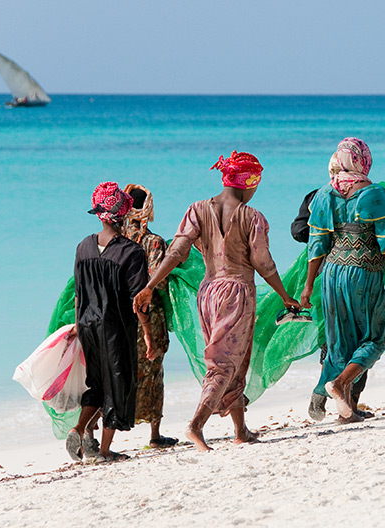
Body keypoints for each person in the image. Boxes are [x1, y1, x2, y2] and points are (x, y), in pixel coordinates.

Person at [133, 150, 299, 451]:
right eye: (255, 183)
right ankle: (196, 425)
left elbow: (177, 251)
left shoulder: (197, 210)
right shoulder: (253, 217)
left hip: (208, 293)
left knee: (234, 360)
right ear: (249, 181)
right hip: (237, 292)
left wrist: (150, 285)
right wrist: (285, 296)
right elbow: (264, 264)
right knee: (224, 364)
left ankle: (241, 430)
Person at [300, 138, 385, 423]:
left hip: (331, 274)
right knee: (375, 339)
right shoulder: (376, 195)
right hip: (364, 273)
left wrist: (309, 285)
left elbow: (317, 246)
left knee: (339, 342)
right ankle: (336, 385)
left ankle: (344, 407)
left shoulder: (324, 195)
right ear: (363, 160)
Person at [66, 182, 157, 462]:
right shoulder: (131, 252)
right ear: (124, 215)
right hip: (115, 327)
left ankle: (79, 427)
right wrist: (148, 334)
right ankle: (104, 451)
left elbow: (79, 293)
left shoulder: (83, 247)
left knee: (96, 383)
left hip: (87, 325)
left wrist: (77, 325)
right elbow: (138, 301)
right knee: (119, 383)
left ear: (99, 214)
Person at [290, 189, 370, 421]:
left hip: (326, 274)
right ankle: (348, 404)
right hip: (360, 274)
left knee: (332, 340)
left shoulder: (317, 196)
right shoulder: (366, 194)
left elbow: (298, 231)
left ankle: (328, 391)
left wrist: (322, 235)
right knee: (363, 339)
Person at [122, 184, 178, 449]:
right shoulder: (154, 242)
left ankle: (97, 431)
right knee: (153, 371)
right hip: (149, 315)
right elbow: (158, 281)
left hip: (118, 315)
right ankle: (154, 435)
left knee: (118, 370)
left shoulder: (113, 239)